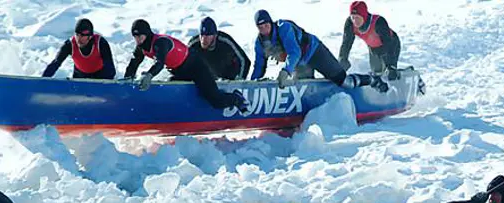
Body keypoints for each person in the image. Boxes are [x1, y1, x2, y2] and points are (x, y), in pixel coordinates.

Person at [123, 19, 249, 113]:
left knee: (215, 100)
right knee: (169, 92)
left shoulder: (160, 43)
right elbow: (134, 63)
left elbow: (159, 63)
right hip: (178, 72)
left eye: (140, 36)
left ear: (147, 33)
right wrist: (125, 83)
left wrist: (149, 75)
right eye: (135, 37)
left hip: (196, 68)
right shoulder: (141, 47)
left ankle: (236, 98)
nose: (138, 40)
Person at [250, 9, 389, 93]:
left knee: (345, 82)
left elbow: (295, 52)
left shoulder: (283, 28)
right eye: (260, 27)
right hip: (300, 63)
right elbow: (259, 65)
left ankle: (372, 79)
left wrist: (285, 71)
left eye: (266, 25)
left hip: (315, 52)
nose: (264, 29)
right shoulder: (260, 42)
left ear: (271, 23)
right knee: (303, 90)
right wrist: (251, 85)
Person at [338, 1, 401, 81]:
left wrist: (391, 66)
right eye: (352, 17)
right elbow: (346, 43)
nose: (355, 21)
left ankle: (402, 76)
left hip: (391, 45)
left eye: (357, 17)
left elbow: (388, 44)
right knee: (376, 74)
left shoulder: (378, 22)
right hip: (374, 48)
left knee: (390, 73)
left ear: (364, 16)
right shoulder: (350, 23)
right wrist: (342, 59)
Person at [42, 18, 116, 80]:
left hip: (100, 76)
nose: (79, 39)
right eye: (77, 35)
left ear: (90, 36)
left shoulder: (101, 43)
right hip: (80, 77)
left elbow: (110, 69)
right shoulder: (69, 44)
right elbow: (56, 63)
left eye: (82, 35)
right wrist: (42, 81)